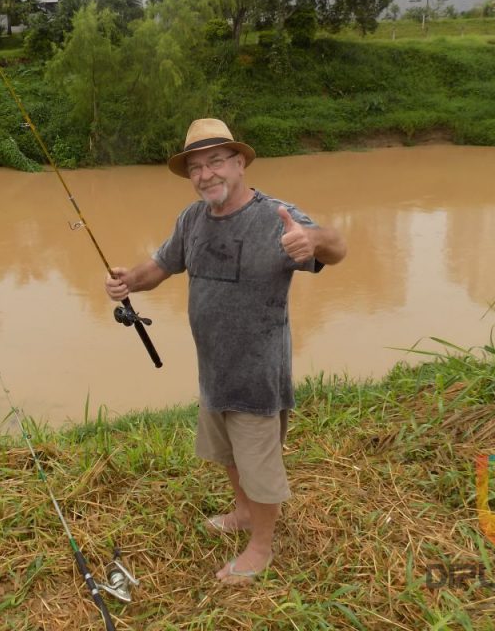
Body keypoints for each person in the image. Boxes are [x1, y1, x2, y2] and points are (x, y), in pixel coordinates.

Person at [104, 117, 347, 585]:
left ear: (239, 162)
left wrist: (311, 240)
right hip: (214, 367)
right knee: (230, 455)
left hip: (258, 371)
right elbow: (160, 265)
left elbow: (337, 247)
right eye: (196, 167)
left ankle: (261, 546)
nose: (205, 174)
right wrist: (127, 281)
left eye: (216, 161)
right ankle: (241, 513)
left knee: (259, 463)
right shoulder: (192, 219)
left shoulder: (275, 216)